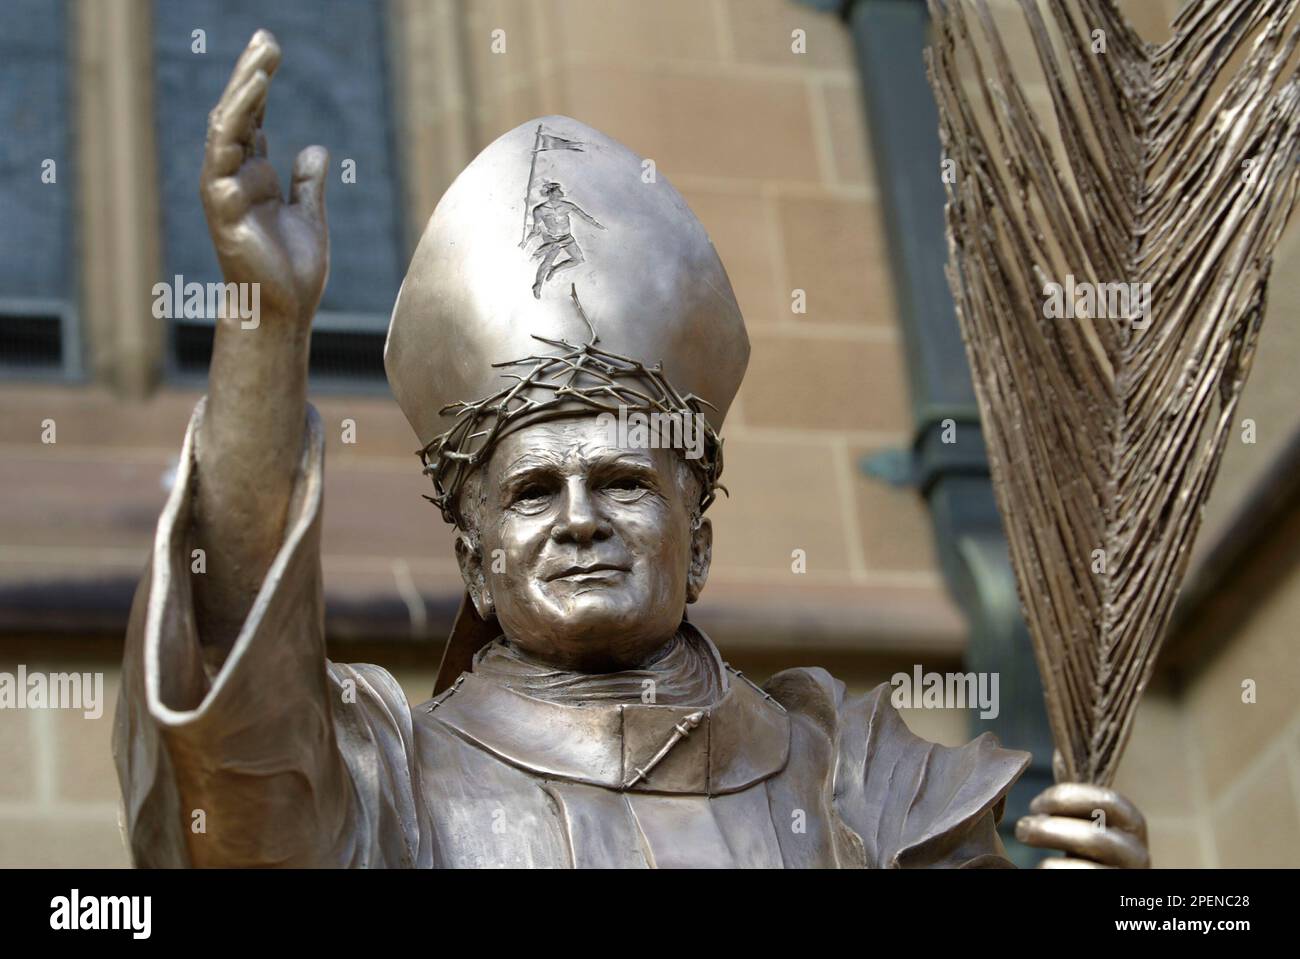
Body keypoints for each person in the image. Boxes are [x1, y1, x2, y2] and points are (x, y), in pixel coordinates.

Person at [113, 30, 1149, 869]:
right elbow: (232, 761)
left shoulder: (858, 781)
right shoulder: (384, 783)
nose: (578, 517)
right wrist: (264, 327)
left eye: (621, 479)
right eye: (529, 491)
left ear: (695, 542)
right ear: (472, 562)